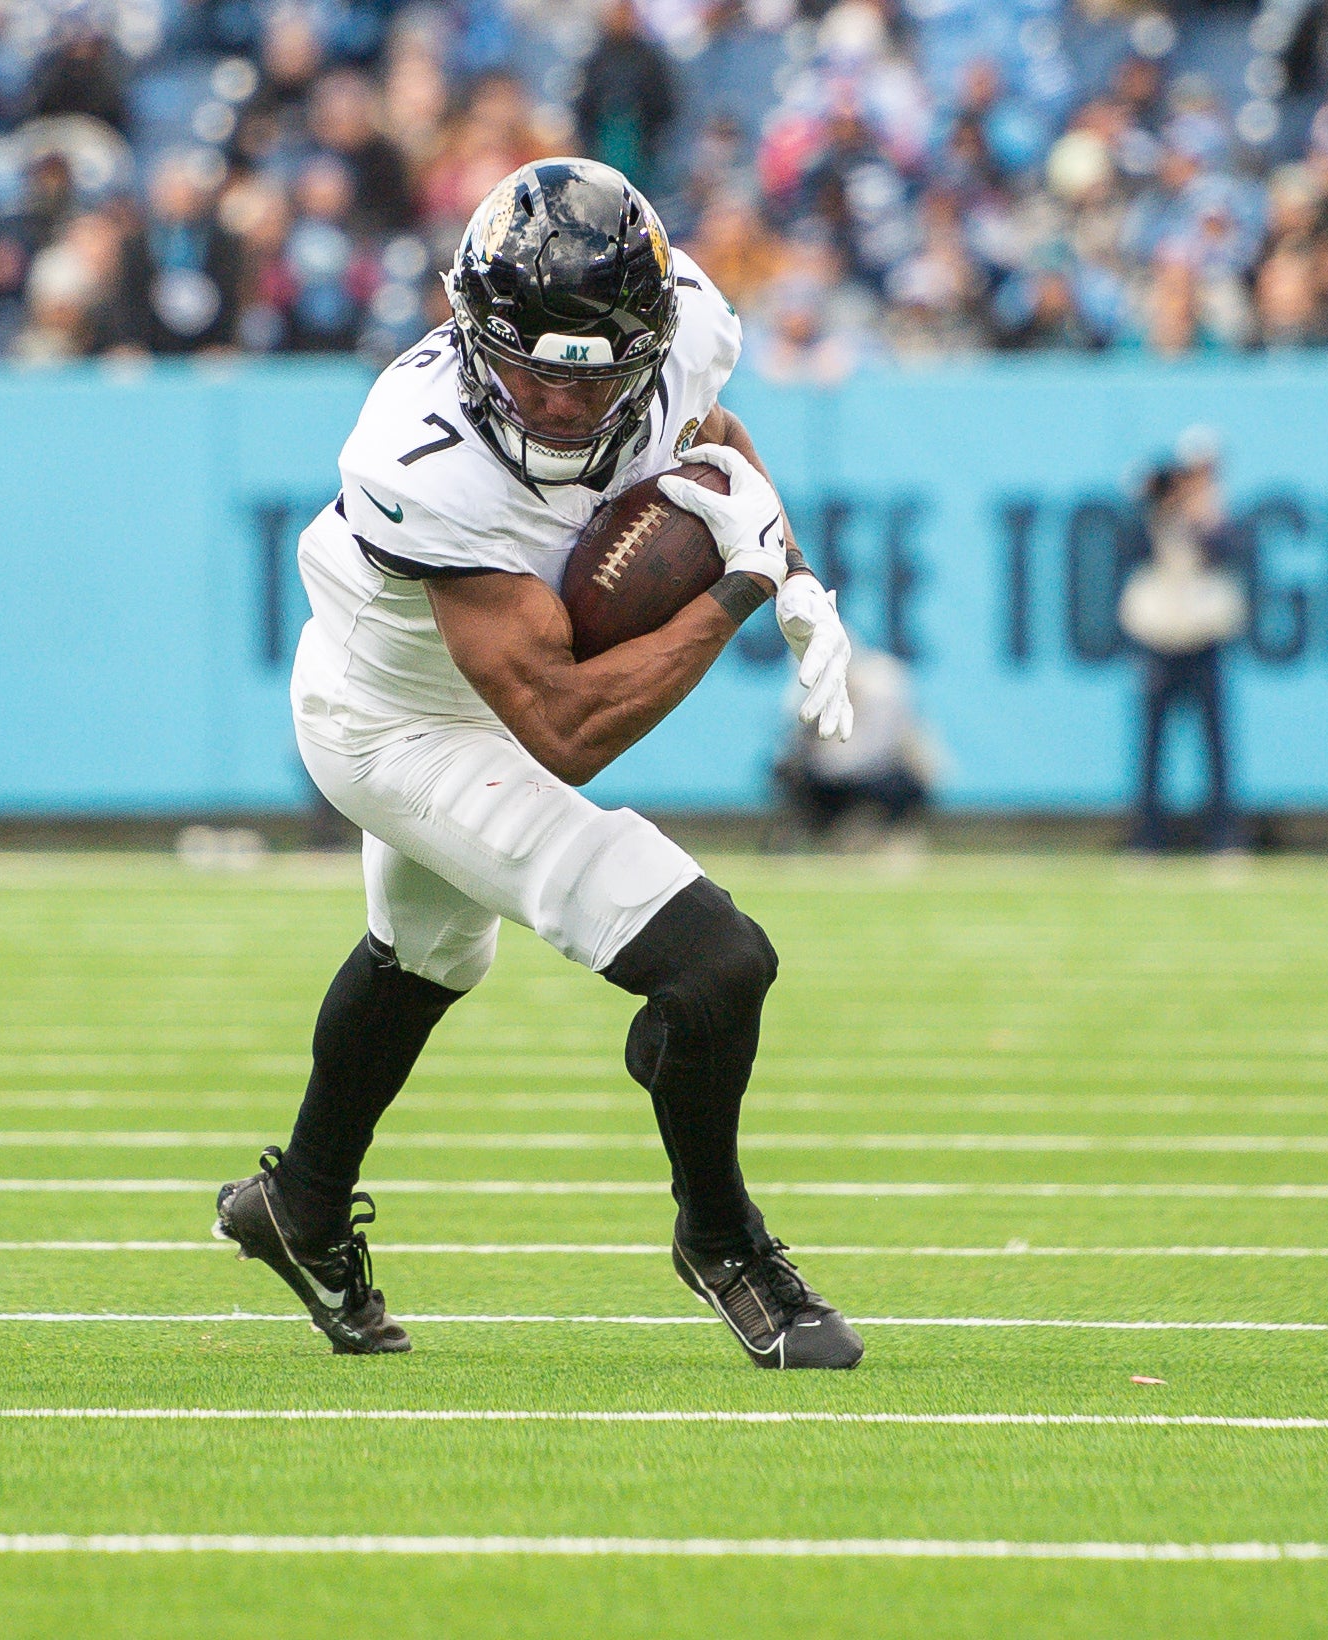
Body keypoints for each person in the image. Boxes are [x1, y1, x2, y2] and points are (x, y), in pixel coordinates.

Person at [216, 158, 864, 1370]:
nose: (562, 409)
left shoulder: (686, 335)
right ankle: (723, 1241)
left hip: (492, 700)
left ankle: (299, 1207)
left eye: (597, 380)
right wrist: (741, 586)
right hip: (395, 718)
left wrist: (796, 567)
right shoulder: (419, 457)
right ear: (472, 338)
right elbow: (563, 726)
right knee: (719, 961)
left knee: (428, 954)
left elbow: (714, 445)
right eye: (528, 375)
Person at [1119, 429, 1246, 854]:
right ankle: (1147, 840)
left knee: (1215, 745)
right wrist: (1159, 503)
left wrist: (1200, 517)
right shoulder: (1158, 513)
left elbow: (1227, 552)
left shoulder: (1215, 513)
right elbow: (1132, 545)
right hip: (1158, 638)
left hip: (1203, 638)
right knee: (1152, 746)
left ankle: (1223, 839)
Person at [774, 643, 935, 847]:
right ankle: (812, 837)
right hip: (829, 780)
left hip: (876, 776)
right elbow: (795, 747)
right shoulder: (803, 692)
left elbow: (897, 742)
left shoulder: (883, 685)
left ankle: (888, 837)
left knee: (908, 780)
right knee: (788, 773)